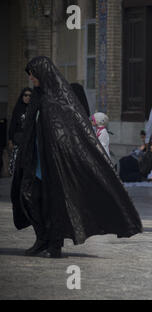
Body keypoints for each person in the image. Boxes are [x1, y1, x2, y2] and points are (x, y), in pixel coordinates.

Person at [11, 56, 143, 258]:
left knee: (54, 205)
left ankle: (53, 245)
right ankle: (42, 239)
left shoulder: (57, 101)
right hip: (35, 163)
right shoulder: (38, 98)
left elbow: (69, 134)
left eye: (33, 74)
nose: (31, 78)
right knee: (29, 198)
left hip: (55, 165)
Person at [7, 88, 32, 176]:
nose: (27, 97)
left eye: (30, 95)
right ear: (22, 96)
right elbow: (13, 124)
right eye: (25, 95)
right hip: (18, 141)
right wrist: (10, 139)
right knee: (17, 165)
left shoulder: (33, 109)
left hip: (30, 142)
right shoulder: (17, 108)